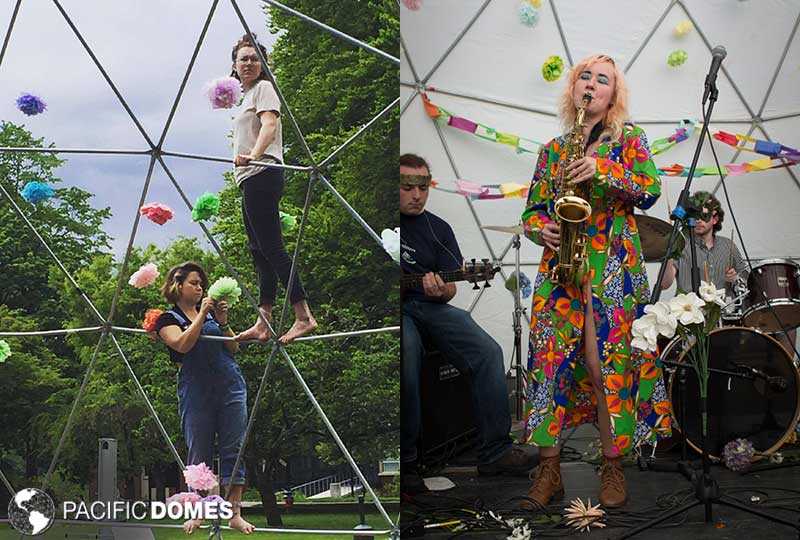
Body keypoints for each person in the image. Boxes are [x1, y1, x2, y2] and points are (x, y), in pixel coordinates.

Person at [520, 55, 671, 509]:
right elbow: (531, 211)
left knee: (608, 363)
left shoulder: (629, 139)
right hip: (561, 268)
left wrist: (601, 169)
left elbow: (650, 188)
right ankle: (549, 471)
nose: (591, 84)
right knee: (549, 365)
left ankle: (612, 465)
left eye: (601, 79)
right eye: (584, 76)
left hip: (613, 270)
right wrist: (538, 229)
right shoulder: (552, 149)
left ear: (613, 94)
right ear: (574, 89)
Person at [400, 153, 537, 496]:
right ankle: (406, 461)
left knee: (489, 351)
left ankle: (495, 452)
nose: (416, 195)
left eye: (422, 187)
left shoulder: (438, 228)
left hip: (426, 305)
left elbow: (449, 289)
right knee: (406, 350)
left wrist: (440, 287)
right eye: (407, 187)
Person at [229, 34, 316, 344]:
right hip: (250, 178)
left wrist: (253, 156)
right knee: (259, 252)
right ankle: (263, 323)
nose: (249, 63)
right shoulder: (248, 96)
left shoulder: (264, 89)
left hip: (262, 172)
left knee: (273, 248)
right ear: (235, 66)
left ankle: (303, 316)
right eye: (244, 59)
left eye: (255, 58)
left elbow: (269, 125)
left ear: (263, 65)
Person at [154, 262, 254, 534]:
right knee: (199, 452)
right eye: (193, 283)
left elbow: (233, 348)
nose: (199, 288)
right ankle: (199, 511)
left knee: (233, 448)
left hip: (229, 385)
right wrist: (202, 316)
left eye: (201, 284)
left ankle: (234, 512)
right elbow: (182, 344)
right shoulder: (167, 319)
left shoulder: (209, 316)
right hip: (196, 389)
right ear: (178, 285)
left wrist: (222, 323)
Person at [660, 191, 747, 294]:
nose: (698, 220)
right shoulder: (680, 244)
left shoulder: (728, 245)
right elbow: (663, 284)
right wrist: (670, 252)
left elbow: (747, 280)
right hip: (689, 307)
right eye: (694, 216)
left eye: (704, 216)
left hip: (722, 308)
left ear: (715, 219)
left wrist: (735, 278)